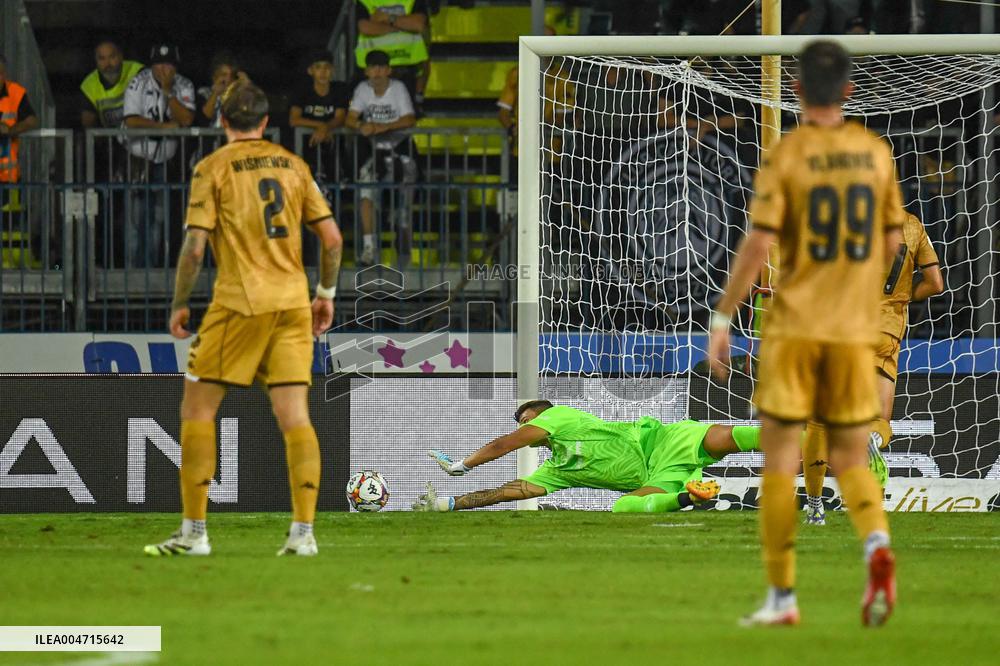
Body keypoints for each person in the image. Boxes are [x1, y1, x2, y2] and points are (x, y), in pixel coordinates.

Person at [708, 40, 903, 627]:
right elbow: (893, 242)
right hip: (852, 329)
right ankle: (876, 546)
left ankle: (783, 598)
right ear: (848, 90)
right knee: (849, 458)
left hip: (793, 327)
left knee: (780, 456)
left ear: (796, 91)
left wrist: (723, 317)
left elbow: (761, 241)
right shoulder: (874, 153)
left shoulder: (787, 155)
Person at [143, 81, 344, 557]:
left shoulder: (212, 167)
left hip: (239, 304)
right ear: (265, 123)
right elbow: (333, 240)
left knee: (197, 410)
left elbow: (194, 248)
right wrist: (326, 295)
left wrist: (178, 303)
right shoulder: (294, 165)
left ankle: (194, 534)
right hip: (294, 304)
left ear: (221, 120)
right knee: (295, 417)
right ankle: (304, 535)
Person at [802, 210, 942, 524]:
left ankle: (814, 506)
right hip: (885, 332)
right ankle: (873, 439)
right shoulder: (912, 225)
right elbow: (935, 283)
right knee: (879, 418)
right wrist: (903, 298)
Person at [412, 400, 762, 512]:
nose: (523, 426)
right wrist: (447, 504)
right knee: (623, 508)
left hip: (663, 441)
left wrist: (464, 464)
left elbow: (507, 443)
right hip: (660, 476)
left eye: (526, 419)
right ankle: (690, 495)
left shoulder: (559, 415)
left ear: (541, 413)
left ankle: (804, 436)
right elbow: (509, 492)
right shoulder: (557, 469)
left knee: (729, 436)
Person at [122, 43, 196, 267]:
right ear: (152, 65)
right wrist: (162, 128)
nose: (164, 69)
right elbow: (131, 120)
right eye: (159, 64)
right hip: (137, 157)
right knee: (136, 219)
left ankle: (152, 274)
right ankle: (132, 277)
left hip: (164, 160)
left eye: (169, 64)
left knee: (158, 220)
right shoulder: (138, 82)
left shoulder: (183, 84)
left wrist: (168, 92)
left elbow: (186, 119)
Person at [345, 49, 416, 266]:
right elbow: (350, 118)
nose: (376, 72)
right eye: (372, 68)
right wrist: (360, 125)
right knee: (365, 197)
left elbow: (409, 119)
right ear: (366, 71)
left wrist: (381, 127)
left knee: (403, 206)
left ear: (388, 70)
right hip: (374, 154)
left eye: (380, 68)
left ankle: (404, 253)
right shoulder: (362, 89)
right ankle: (369, 248)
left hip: (401, 151)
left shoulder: (398, 88)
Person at [288, 50, 351, 181]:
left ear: (332, 69)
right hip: (307, 144)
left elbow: (341, 117)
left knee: (336, 174)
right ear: (310, 71)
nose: (323, 72)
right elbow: (294, 119)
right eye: (318, 67)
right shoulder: (302, 89)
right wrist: (322, 126)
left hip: (332, 143)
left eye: (327, 67)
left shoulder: (340, 89)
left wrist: (325, 128)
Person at [355, 0, 430, 108]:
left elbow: (418, 24)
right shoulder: (366, 1)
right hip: (373, 66)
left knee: (405, 115)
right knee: (373, 114)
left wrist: (388, 18)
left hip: (406, 65)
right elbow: (366, 28)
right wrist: (402, 26)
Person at [80, 40, 144, 130]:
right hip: (110, 141)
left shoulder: (138, 72)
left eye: (112, 57)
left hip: (141, 137)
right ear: (96, 61)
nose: (108, 64)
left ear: (121, 57)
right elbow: (88, 125)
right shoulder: (89, 85)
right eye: (102, 58)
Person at [0, 55, 40, 187]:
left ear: (5, 73)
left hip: (9, 179)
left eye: (0, 73)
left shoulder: (15, 92)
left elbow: (32, 121)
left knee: (11, 207)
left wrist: (11, 130)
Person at [198, 51, 247, 127]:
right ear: (214, 76)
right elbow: (205, 117)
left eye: (231, 76)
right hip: (210, 137)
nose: (227, 79)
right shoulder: (204, 92)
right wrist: (215, 94)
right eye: (224, 75)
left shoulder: (238, 93)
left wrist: (248, 86)